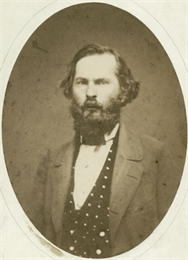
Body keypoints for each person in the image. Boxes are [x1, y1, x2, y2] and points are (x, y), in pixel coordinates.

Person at [32, 44, 178, 258]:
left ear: (123, 90)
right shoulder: (52, 160)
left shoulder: (155, 155)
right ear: (70, 89)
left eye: (101, 82)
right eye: (81, 82)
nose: (90, 93)